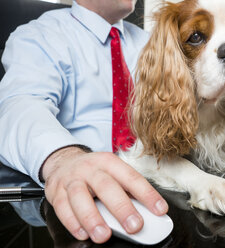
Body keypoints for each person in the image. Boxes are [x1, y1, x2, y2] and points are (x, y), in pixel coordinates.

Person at [0, 0, 168, 244]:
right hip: (75, 197)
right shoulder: (41, 34)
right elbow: (20, 104)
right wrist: (62, 159)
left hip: (156, 183)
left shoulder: (151, 43)